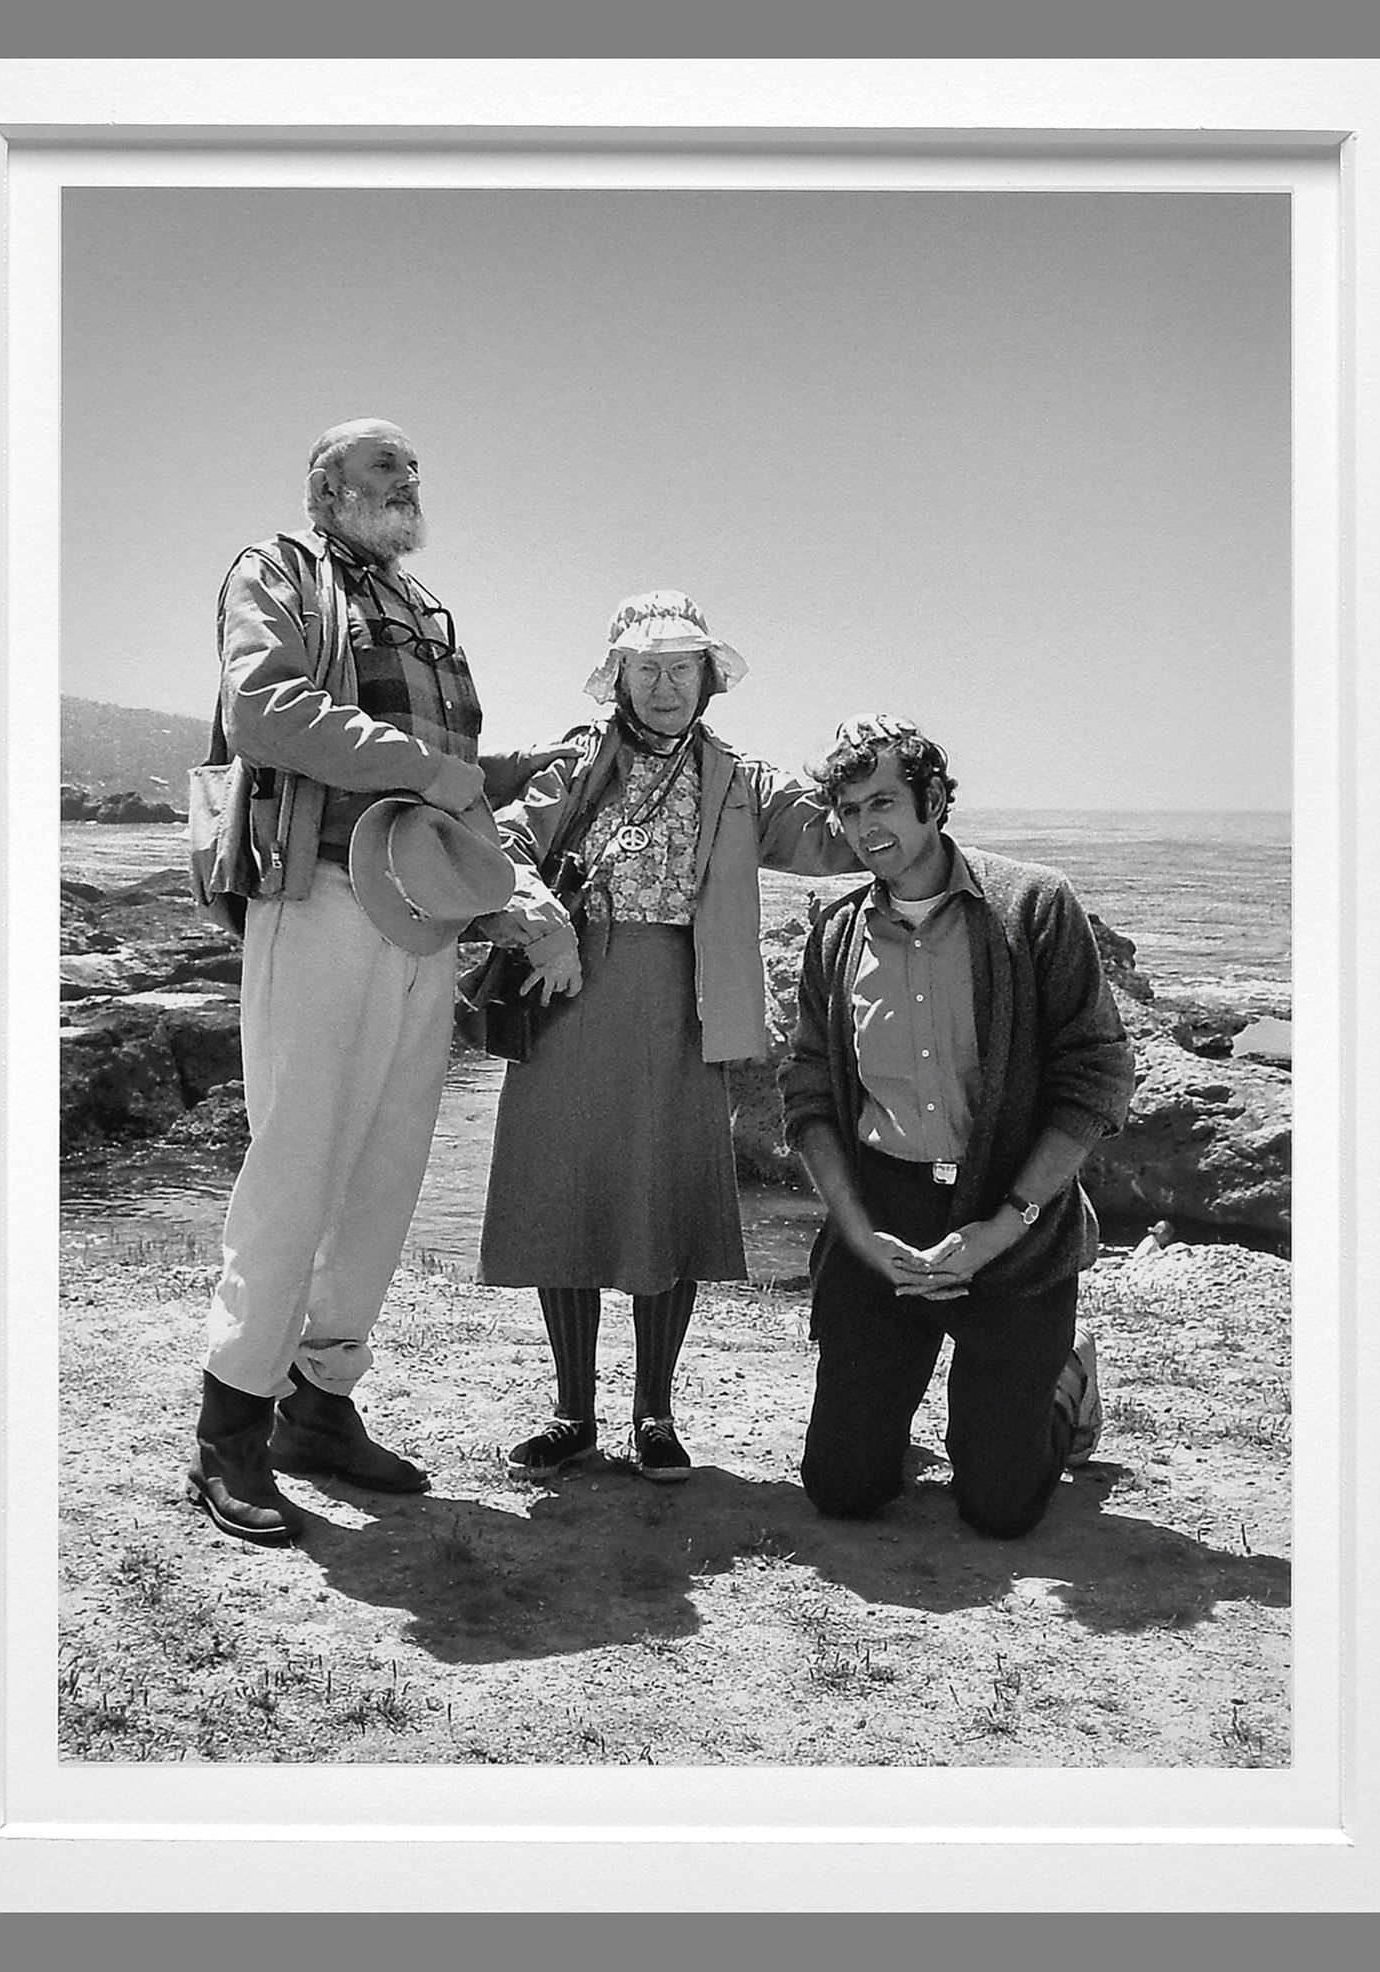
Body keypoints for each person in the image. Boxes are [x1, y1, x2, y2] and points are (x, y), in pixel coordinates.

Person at [188, 417, 572, 1547]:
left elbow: (441, 774)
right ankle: (230, 1426)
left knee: (388, 1166)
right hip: (313, 892)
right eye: (382, 465)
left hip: (420, 908)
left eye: (412, 468)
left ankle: (320, 1402)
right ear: (326, 486)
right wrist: (449, 771)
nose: (406, 481)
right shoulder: (280, 572)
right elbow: (268, 710)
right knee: (300, 1153)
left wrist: (510, 771)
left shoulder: (422, 607)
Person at [478, 590, 863, 1484]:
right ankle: (574, 1415)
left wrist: (883, 776)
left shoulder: (741, 780)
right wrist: (543, 926)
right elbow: (504, 846)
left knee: (664, 1199)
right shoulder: (577, 761)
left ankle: (655, 1415)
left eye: (680, 666)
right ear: (617, 677)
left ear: (706, 678)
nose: (663, 685)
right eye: (645, 667)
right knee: (563, 1196)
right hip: (564, 987)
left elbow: (840, 841)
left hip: (687, 1002)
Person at [780, 716, 1135, 1536]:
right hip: (884, 1225)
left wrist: (1001, 1226)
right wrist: (858, 1231)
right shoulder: (836, 934)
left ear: (933, 800)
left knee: (1000, 1509)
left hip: (1010, 1224)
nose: (866, 827)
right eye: (847, 809)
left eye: (884, 803)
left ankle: (1063, 1390)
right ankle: (901, 1409)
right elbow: (809, 1093)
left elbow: (1096, 1077)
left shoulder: (1033, 907)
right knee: (844, 1490)